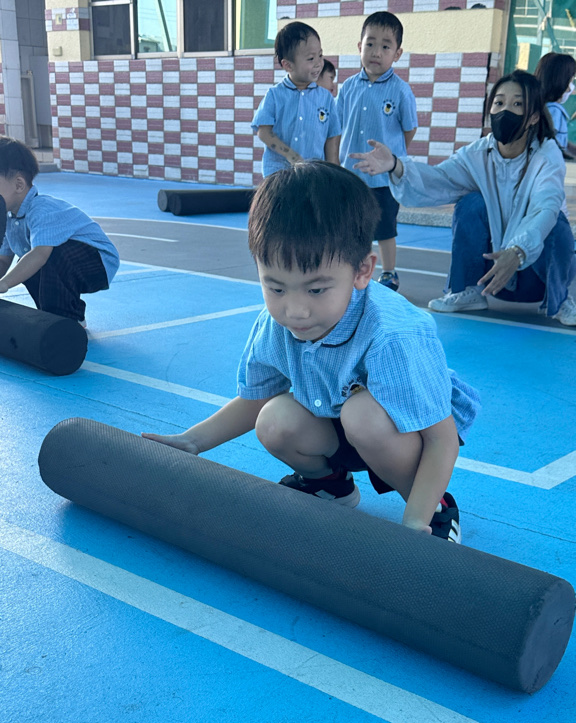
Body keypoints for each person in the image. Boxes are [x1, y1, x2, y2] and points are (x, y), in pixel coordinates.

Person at [143, 162, 480, 543]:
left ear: (363, 271)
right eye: (276, 288)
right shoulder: (276, 325)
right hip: (333, 421)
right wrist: (191, 441)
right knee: (274, 420)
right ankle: (331, 485)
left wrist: (414, 523)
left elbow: (441, 439)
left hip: (401, 432)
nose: (296, 311)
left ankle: (434, 508)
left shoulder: (394, 335)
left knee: (363, 416)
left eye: (316, 290)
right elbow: (255, 400)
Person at [351, 69, 576, 325]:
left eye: (517, 105)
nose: (505, 111)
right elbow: (439, 179)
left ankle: (560, 301)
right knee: (470, 204)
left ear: (534, 116)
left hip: (536, 279)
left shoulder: (547, 155)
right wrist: (395, 165)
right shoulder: (479, 153)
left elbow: (544, 208)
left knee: (555, 221)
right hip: (490, 274)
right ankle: (467, 290)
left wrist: (518, 251)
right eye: (499, 103)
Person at [337, 10, 418, 292]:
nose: (376, 52)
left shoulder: (401, 91)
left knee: (385, 229)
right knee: (353, 226)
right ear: (359, 46)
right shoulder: (348, 87)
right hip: (351, 175)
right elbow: (338, 126)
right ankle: (354, 269)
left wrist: (389, 159)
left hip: (384, 179)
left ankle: (389, 273)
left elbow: (408, 130)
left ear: (397, 54)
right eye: (370, 44)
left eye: (385, 46)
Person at [0, 136, 119, 326]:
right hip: (65, 261)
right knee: (25, 264)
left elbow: (40, 255)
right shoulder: (8, 217)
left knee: (44, 257)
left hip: (98, 262)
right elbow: (4, 260)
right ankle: (54, 314)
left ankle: (67, 318)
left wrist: (5, 283)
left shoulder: (41, 209)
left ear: (19, 185)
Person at [252, 22, 341, 177]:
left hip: (314, 175)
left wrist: (334, 174)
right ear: (288, 65)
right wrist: (291, 155)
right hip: (279, 173)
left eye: (320, 55)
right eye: (311, 58)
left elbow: (332, 137)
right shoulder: (275, 95)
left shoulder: (326, 98)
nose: (319, 63)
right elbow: (263, 132)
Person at [534, 51, 576, 155]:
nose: (571, 88)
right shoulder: (553, 111)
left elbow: (559, 141)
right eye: (570, 81)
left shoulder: (540, 107)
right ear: (560, 82)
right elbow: (550, 144)